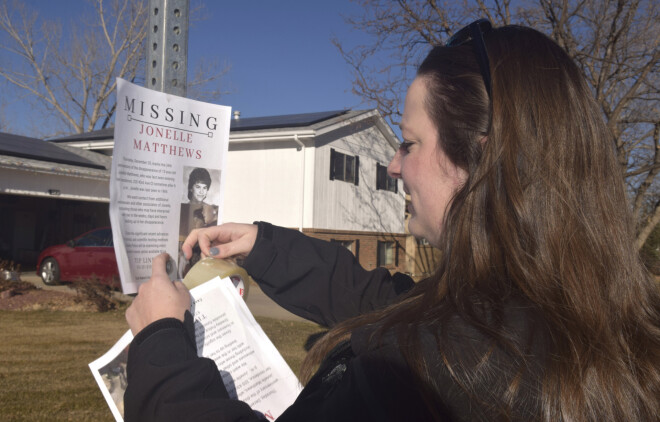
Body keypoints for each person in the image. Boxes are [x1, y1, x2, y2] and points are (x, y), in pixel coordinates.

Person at [124, 20, 660, 421]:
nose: (393, 164)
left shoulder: (428, 372)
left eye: (409, 143)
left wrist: (161, 347)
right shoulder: (581, 326)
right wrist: (263, 245)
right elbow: (390, 299)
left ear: (481, 159)